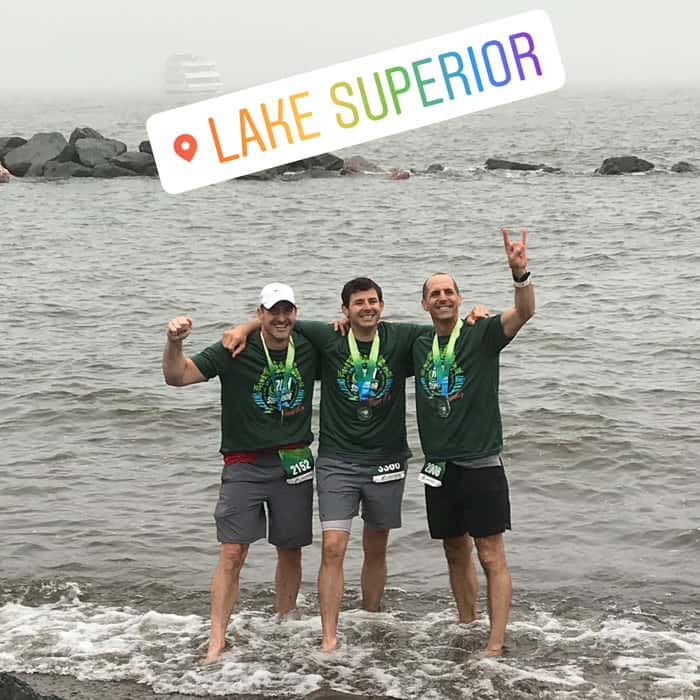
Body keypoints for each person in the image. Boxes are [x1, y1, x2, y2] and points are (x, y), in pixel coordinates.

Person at [223, 279, 488, 651]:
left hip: (387, 460)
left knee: (376, 546)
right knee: (333, 545)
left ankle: (370, 617)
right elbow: (280, 323)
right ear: (344, 311)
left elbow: (446, 331)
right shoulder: (329, 336)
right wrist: (243, 327)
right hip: (337, 461)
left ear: (383, 305)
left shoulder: (402, 338)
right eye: (359, 303)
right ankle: (329, 639)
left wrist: (475, 316)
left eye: (374, 301)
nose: (368, 308)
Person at [162, 283, 319, 663]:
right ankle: (217, 640)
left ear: (295, 312)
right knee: (232, 552)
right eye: (272, 311)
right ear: (260, 312)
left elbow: (349, 330)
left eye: (288, 310)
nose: (281, 318)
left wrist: (246, 324)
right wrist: (174, 342)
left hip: (294, 460)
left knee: (291, 550)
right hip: (243, 463)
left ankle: (285, 624)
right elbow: (177, 377)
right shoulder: (233, 349)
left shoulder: (310, 345)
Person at [412, 228, 535, 656]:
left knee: (489, 554)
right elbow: (362, 330)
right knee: (453, 549)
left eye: (449, 291)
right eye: (435, 293)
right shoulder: (417, 343)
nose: (443, 297)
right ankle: (467, 626)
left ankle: (495, 644)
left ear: (460, 299)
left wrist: (519, 274)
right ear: (424, 304)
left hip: (482, 464)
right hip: (438, 466)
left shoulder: (480, 334)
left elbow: (523, 314)